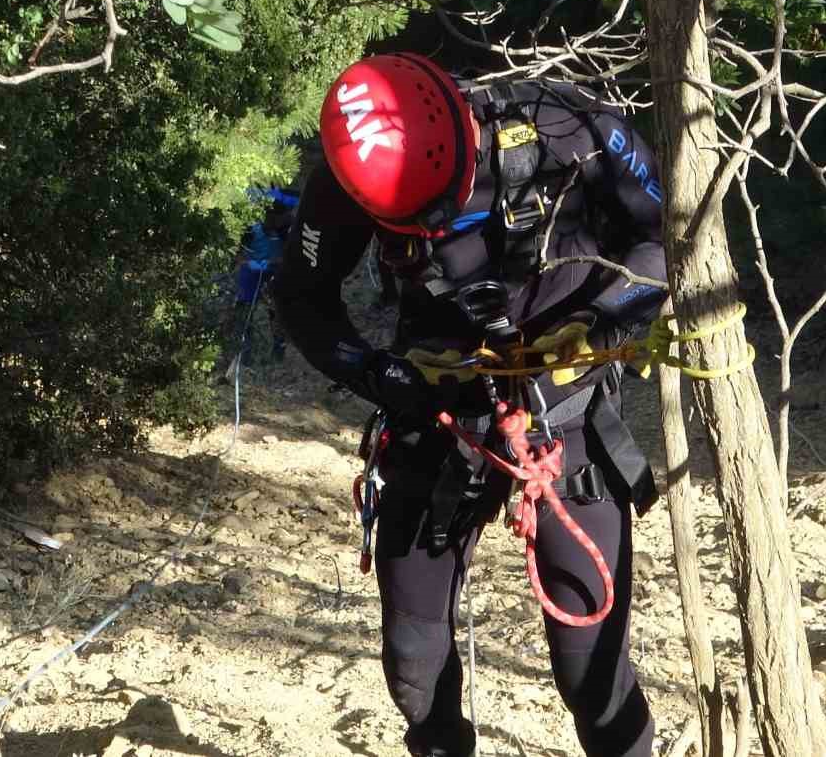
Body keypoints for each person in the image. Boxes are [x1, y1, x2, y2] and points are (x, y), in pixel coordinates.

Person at [275, 53, 667, 757]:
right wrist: (378, 374)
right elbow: (304, 297)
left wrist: (605, 326)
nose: (429, 231)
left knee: (592, 673)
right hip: (437, 416)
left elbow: (663, 238)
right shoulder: (345, 180)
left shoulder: (566, 124)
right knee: (414, 672)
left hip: (562, 420)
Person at [227, 188, 297, 366]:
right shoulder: (250, 226)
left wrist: (278, 263)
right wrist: (249, 263)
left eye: (280, 217)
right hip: (251, 271)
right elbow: (236, 252)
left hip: (275, 271)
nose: (273, 222)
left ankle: (279, 347)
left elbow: (294, 254)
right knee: (244, 309)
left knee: (277, 308)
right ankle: (244, 351)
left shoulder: (288, 227)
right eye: (270, 217)